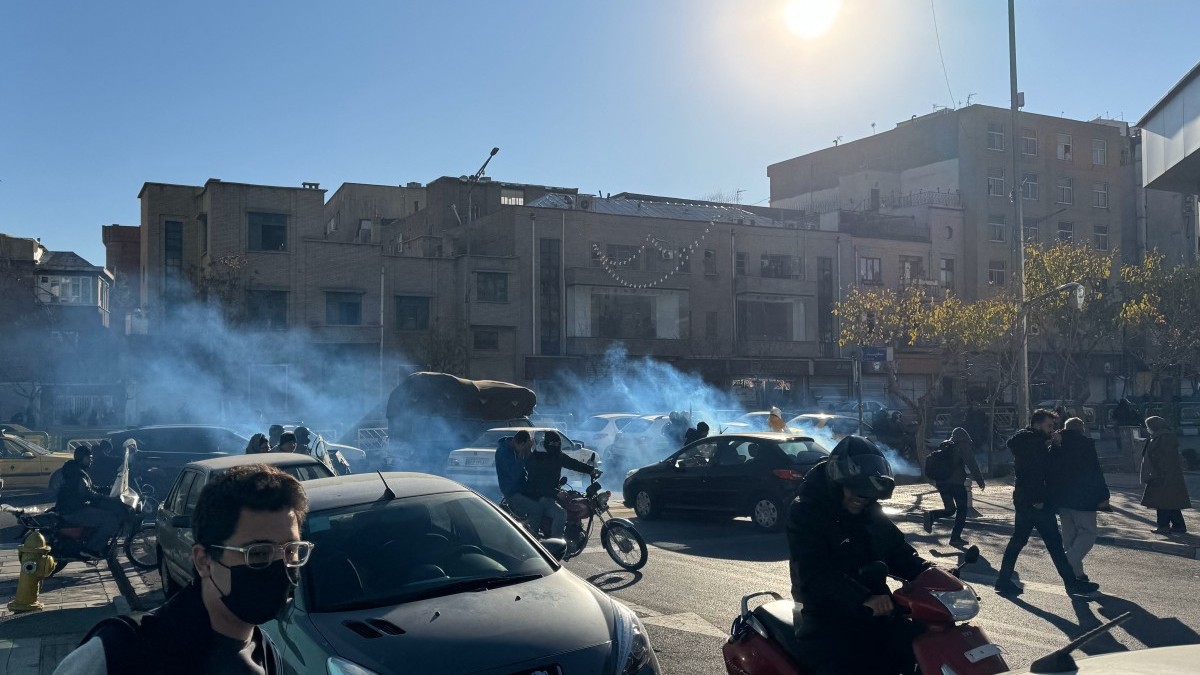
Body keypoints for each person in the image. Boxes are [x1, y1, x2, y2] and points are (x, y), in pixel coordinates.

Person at [53, 464, 312, 675]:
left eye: (291, 551)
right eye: (258, 553)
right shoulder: (121, 652)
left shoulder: (266, 653)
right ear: (203, 560)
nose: (281, 568)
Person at [787, 435, 930, 675]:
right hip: (826, 618)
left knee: (920, 645)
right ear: (837, 481)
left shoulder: (869, 511)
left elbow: (897, 551)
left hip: (876, 612)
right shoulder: (806, 512)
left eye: (866, 495)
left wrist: (929, 572)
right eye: (854, 491)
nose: (859, 499)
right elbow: (813, 574)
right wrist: (862, 598)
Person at [994, 410, 1100, 596]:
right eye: (1049, 426)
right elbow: (1035, 472)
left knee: (1022, 541)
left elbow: (1042, 467)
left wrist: (1055, 445)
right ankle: (1071, 583)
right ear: (1037, 424)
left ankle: (1003, 580)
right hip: (1035, 501)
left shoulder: (1029, 441)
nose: (1052, 430)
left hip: (1025, 499)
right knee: (1052, 543)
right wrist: (1038, 500)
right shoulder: (1033, 444)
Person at [1049, 417, 1110, 582]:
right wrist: (1104, 495)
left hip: (1062, 498)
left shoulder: (1056, 444)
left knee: (1069, 536)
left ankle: (1077, 574)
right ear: (1081, 428)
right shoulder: (1085, 444)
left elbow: (1051, 471)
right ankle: (1067, 563)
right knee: (1088, 533)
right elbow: (1094, 471)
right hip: (1083, 497)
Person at [523, 432, 601, 538]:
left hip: (551, 494)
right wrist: (555, 492)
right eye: (554, 445)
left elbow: (571, 463)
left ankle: (572, 533)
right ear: (549, 444)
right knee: (561, 514)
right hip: (539, 497)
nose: (556, 447)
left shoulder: (556, 455)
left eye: (558, 445)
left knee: (571, 504)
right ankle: (556, 545)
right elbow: (537, 482)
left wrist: (591, 470)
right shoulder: (537, 458)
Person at [55, 445, 123, 558]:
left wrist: (109, 489)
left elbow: (91, 488)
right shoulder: (78, 474)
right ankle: (91, 549)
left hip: (72, 508)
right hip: (74, 511)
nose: (91, 459)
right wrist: (108, 498)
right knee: (110, 520)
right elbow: (88, 493)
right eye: (89, 457)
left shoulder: (76, 470)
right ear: (82, 458)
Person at [923, 427, 986, 546]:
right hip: (956, 484)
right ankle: (955, 537)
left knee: (950, 509)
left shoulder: (944, 445)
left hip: (942, 483)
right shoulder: (962, 446)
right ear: (966, 437)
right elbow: (971, 463)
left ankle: (932, 515)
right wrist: (980, 480)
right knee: (962, 510)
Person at [1140, 416, 1190, 534]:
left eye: (1148, 426)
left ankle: (1163, 526)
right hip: (1167, 475)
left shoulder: (1161, 438)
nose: (1147, 429)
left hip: (1162, 475)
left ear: (1153, 426)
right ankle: (1179, 526)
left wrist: (1158, 473)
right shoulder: (1163, 436)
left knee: (1161, 502)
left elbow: (1163, 458)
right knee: (1170, 502)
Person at [495, 430, 543, 531]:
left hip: (522, 489)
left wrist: (528, 451)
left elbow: (529, 468)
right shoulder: (502, 452)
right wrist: (521, 455)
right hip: (511, 492)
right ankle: (531, 540)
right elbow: (513, 475)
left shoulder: (517, 449)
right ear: (520, 443)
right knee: (537, 509)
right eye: (524, 447)